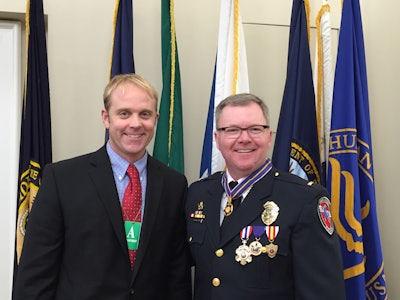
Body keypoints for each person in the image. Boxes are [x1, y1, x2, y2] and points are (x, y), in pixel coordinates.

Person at [13, 74, 192, 300]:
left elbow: (177, 274)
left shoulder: (174, 184)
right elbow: (35, 275)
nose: (135, 124)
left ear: (156, 118)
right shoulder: (62, 179)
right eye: (124, 113)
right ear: (106, 118)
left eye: (144, 114)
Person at [186, 93, 345, 299]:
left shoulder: (304, 199)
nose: (244, 138)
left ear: (269, 136)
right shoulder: (198, 194)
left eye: (255, 129)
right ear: (217, 139)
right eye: (232, 130)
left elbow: (323, 293)